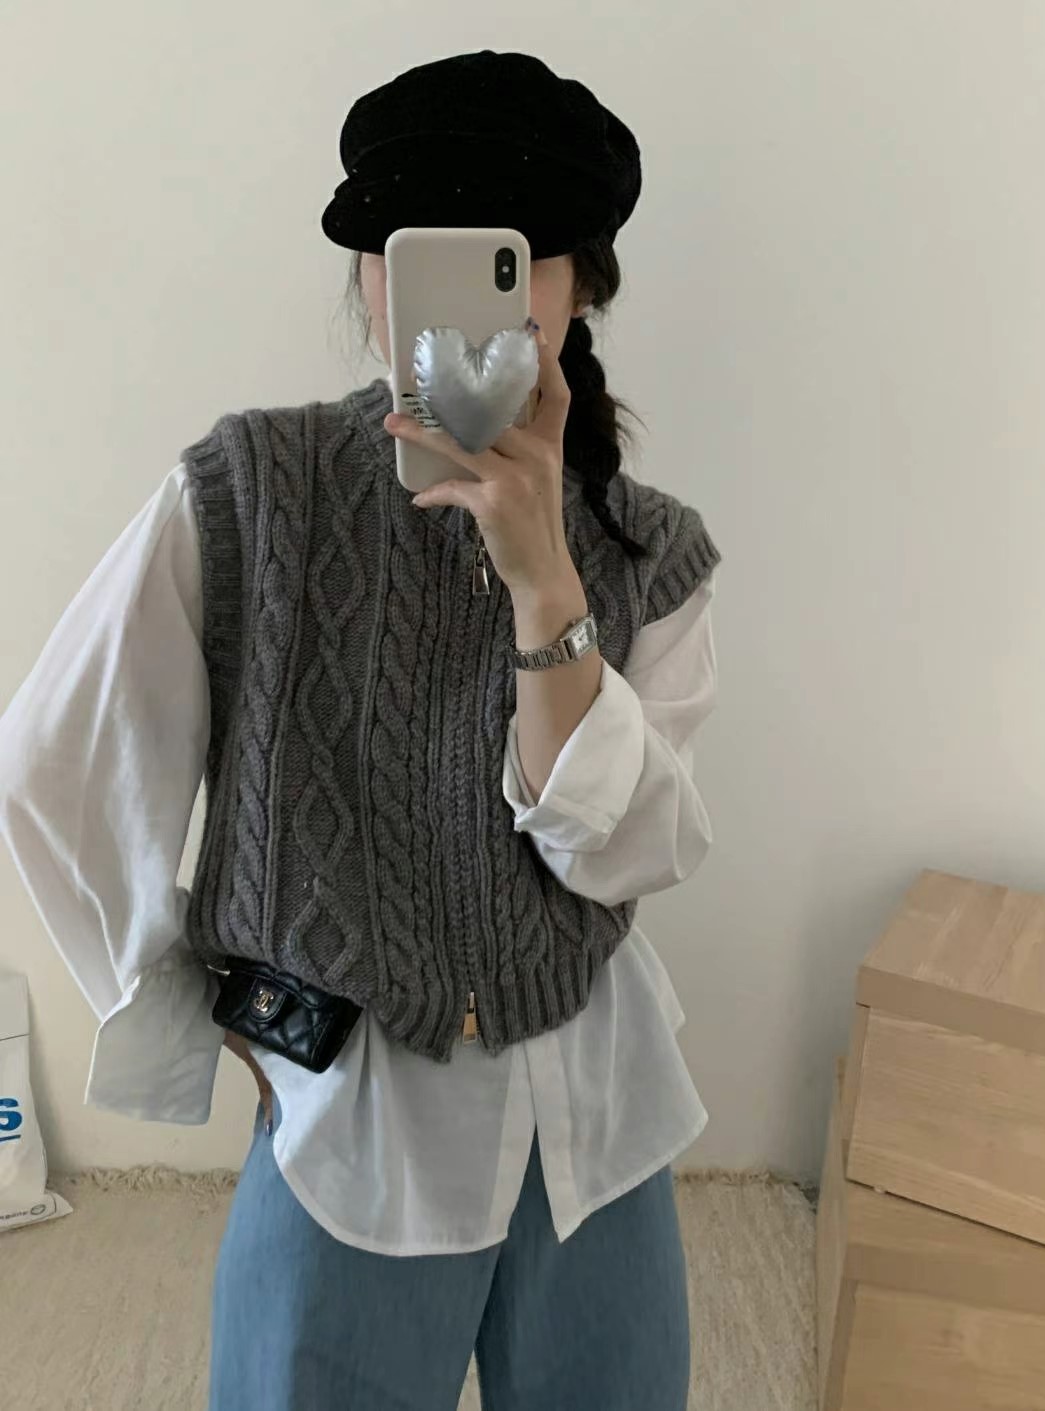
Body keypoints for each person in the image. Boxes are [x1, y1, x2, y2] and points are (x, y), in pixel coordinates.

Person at [0, 49, 721, 1411]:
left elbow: (626, 854)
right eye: (414, 250)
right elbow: (56, 761)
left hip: (595, 1107)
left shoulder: (645, 546)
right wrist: (183, 1000)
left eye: (509, 257)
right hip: (353, 1118)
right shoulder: (250, 494)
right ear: (367, 277)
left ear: (578, 286)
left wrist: (545, 585)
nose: (457, 301)